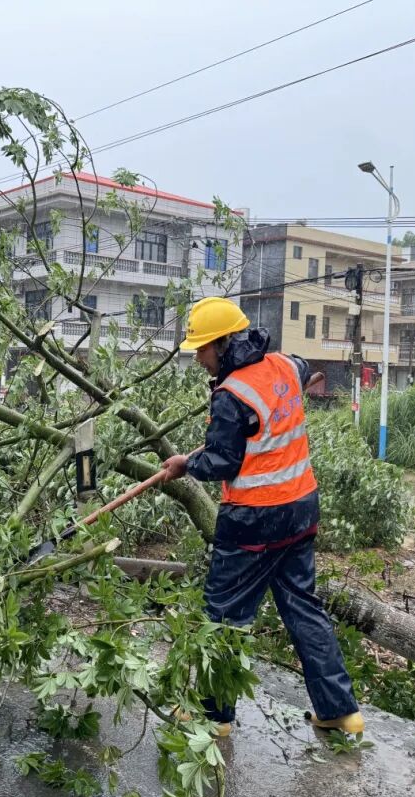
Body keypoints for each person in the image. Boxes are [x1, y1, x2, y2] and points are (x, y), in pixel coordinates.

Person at [161, 297, 363, 737]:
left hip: (253, 522)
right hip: (300, 511)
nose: (198, 358)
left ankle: (212, 716)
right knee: (303, 608)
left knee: (225, 614)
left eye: (201, 349)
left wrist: (184, 465)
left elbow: (221, 462)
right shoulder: (284, 365)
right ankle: (341, 712)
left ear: (223, 344)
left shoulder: (231, 395)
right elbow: (304, 369)